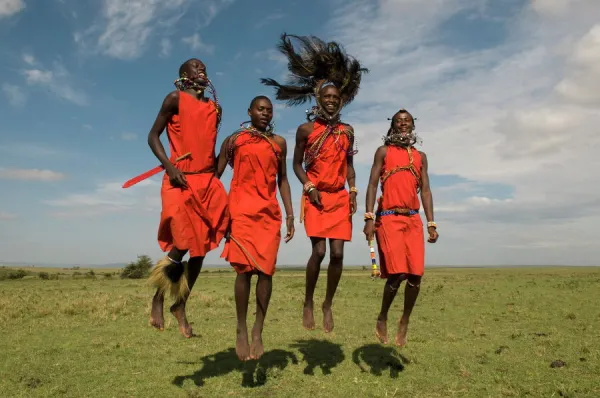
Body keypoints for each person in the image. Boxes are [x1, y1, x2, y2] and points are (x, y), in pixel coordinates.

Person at [261, 33, 369, 333]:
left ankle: (327, 304)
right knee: (319, 253)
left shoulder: (347, 131)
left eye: (336, 98)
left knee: (337, 254)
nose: (332, 102)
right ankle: (308, 301)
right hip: (316, 196)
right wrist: (308, 186)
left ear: (341, 101)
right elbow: (295, 165)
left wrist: (354, 191)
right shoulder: (306, 130)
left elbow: (349, 165)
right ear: (318, 99)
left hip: (339, 198)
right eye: (327, 98)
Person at [140, 58, 229, 338]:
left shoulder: (215, 108)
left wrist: (219, 169)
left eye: (204, 67)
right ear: (183, 74)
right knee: (182, 242)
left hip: (206, 182)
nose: (201, 69)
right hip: (179, 178)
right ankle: (158, 297)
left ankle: (180, 304)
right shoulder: (174, 99)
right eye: (195, 66)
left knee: (200, 250)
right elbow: (152, 136)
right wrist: (170, 166)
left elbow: (212, 149)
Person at [216, 96, 295, 361]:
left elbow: (283, 179)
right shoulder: (234, 140)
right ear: (249, 111)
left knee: (266, 271)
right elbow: (215, 175)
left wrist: (290, 214)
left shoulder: (279, 143)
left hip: (269, 214)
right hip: (240, 211)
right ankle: (240, 327)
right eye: (260, 109)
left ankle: (258, 329)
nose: (265, 113)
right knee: (243, 270)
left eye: (269, 110)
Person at [363, 109, 439, 347]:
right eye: (399, 121)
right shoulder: (383, 152)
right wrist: (367, 218)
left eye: (407, 121)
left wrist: (431, 223)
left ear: (413, 125)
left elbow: (425, 190)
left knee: (416, 275)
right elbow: (373, 183)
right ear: (393, 126)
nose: (403, 123)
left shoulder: (421, 156)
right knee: (398, 273)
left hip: (414, 219)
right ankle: (383, 316)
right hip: (389, 217)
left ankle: (405, 320)